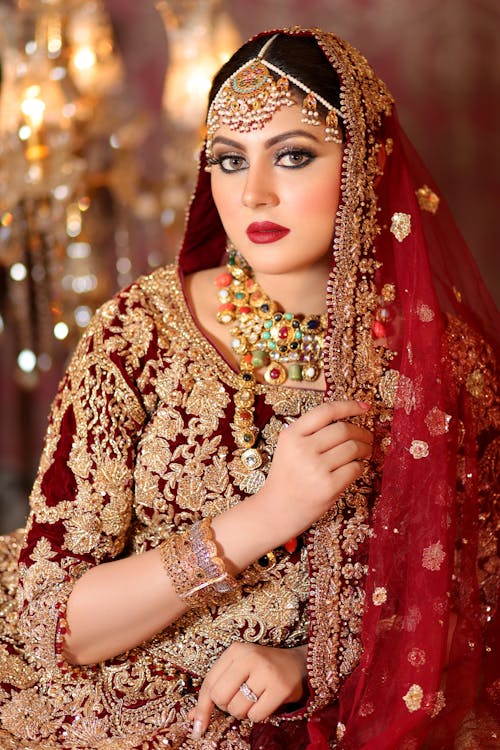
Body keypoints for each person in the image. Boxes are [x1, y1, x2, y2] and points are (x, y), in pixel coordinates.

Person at [0, 26, 498, 750]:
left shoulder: (448, 364)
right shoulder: (139, 337)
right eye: (229, 160)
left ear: (367, 162)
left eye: (292, 156)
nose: (253, 191)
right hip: (106, 709)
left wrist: (312, 665)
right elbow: (54, 625)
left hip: (340, 715)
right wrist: (269, 515)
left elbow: (477, 611)